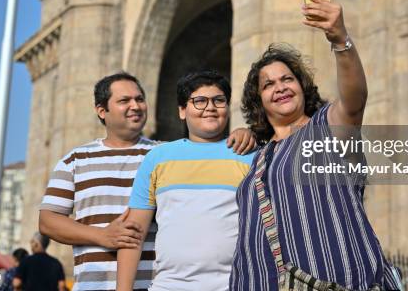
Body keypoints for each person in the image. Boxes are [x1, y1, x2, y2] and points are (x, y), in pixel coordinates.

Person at [230, 0, 403, 290]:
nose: (280, 87)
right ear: (258, 100)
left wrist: (340, 40)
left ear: (301, 86)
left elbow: (354, 99)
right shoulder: (258, 156)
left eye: (287, 79)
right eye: (268, 84)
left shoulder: (326, 128)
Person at [39, 72, 254, 291]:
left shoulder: (163, 154)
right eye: (124, 101)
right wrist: (103, 236)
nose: (135, 106)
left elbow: (205, 147)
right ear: (102, 111)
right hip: (93, 283)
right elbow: (48, 221)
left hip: (155, 283)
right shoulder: (76, 160)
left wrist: (246, 133)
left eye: (140, 99)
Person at [116, 71, 256, 291]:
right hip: (169, 285)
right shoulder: (157, 158)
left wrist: (253, 134)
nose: (210, 107)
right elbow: (133, 233)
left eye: (219, 100)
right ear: (182, 111)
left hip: (236, 284)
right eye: (199, 101)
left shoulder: (250, 156)